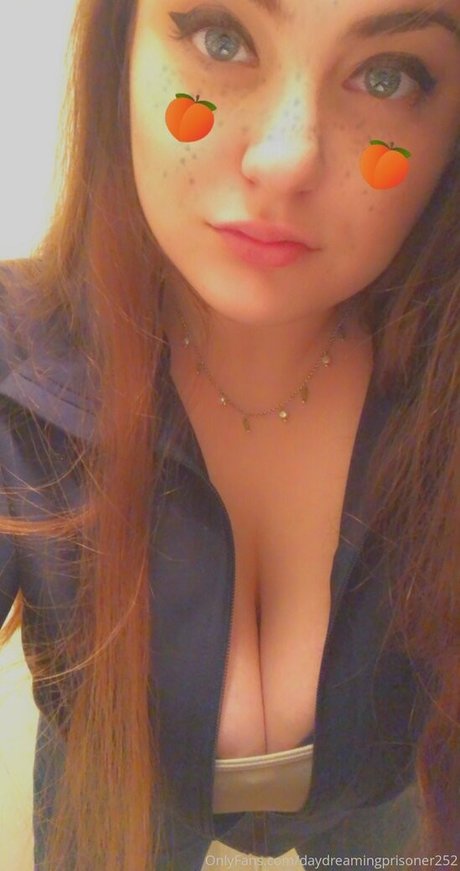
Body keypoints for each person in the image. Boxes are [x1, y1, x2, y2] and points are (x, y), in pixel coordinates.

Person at [0, 0, 459, 868]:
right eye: (223, 37)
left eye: (388, 76)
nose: (286, 158)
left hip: (382, 801)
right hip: (118, 786)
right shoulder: (18, 364)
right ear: (119, 51)